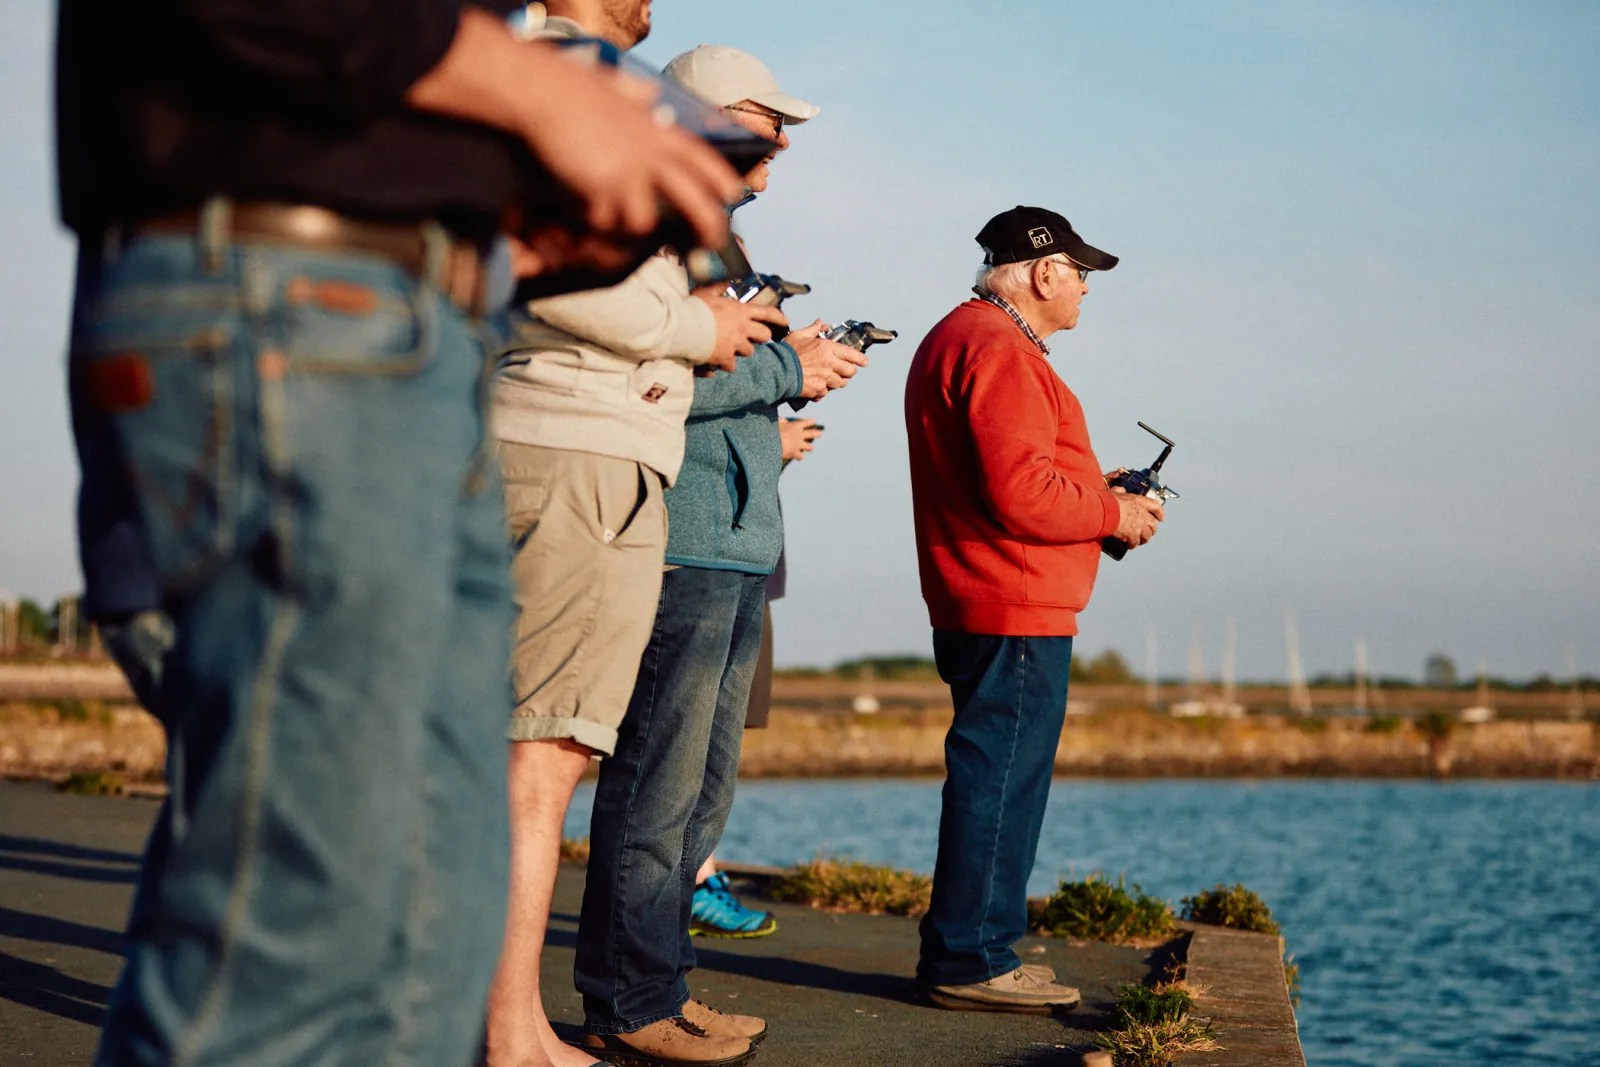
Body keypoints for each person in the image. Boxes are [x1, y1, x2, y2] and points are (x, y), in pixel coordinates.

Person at [56, 1, 743, 1063]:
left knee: (420, 927)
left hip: (398, 324)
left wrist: (512, 231)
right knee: (313, 932)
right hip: (288, 309)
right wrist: (532, 84)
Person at [480, 6, 789, 1067]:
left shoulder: (555, 78)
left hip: (576, 452)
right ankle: (521, 1030)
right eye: (758, 126)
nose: (777, 147)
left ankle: (522, 1020)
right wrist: (700, 330)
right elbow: (557, 269)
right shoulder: (575, 80)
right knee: (542, 754)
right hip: (577, 451)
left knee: (546, 752)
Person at [573, 46, 867, 1067]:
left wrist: (780, 395)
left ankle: (660, 985)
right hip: (684, 538)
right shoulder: (665, 230)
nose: (781, 147)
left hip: (735, 539)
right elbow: (653, 385)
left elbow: (705, 380)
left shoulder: (717, 239)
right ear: (705, 111)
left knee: (695, 790)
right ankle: (625, 999)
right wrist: (790, 364)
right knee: (654, 783)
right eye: (767, 121)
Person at [902, 206, 1163, 1013]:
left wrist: (1095, 494)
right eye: (1081, 272)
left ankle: (980, 946)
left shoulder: (970, 337)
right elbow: (1021, 493)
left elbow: (1017, 481)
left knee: (998, 775)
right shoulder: (998, 347)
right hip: (1012, 600)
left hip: (988, 589)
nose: (1086, 287)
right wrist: (1112, 514)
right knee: (1001, 779)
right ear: (1044, 271)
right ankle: (971, 959)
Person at [686, 415, 820, 939]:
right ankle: (693, 886)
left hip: (746, 570)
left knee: (714, 746)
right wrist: (771, 444)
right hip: (707, 568)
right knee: (685, 742)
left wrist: (772, 454)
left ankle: (697, 880)